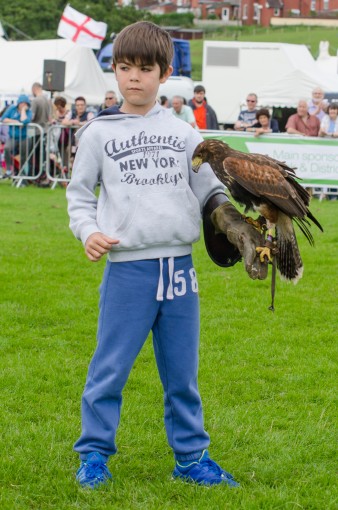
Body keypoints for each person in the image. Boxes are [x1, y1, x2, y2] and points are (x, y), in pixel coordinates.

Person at [66, 21, 266, 490]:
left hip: (179, 269)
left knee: (182, 373)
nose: (134, 77)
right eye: (124, 67)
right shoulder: (98, 133)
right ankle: (94, 455)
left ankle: (192, 458)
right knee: (109, 369)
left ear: (165, 73)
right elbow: (78, 195)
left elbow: (209, 191)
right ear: (113, 71)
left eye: (145, 68)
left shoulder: (183, 131)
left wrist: (235, 224)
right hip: (127, 269)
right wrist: (88, 230)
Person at [0, 95, 32, 179]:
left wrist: (23, 111)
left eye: (25, 103)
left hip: (24, 137)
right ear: (19, 103)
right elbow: (3, 118)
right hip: (12, 136)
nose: (23, 105)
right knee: (7, 148)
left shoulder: (28, 111)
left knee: (23, 155)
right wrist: (15, 121)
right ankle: (8, 170)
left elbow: (24, 121)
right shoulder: (12, 109)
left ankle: (22, 173)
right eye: (22, 103)